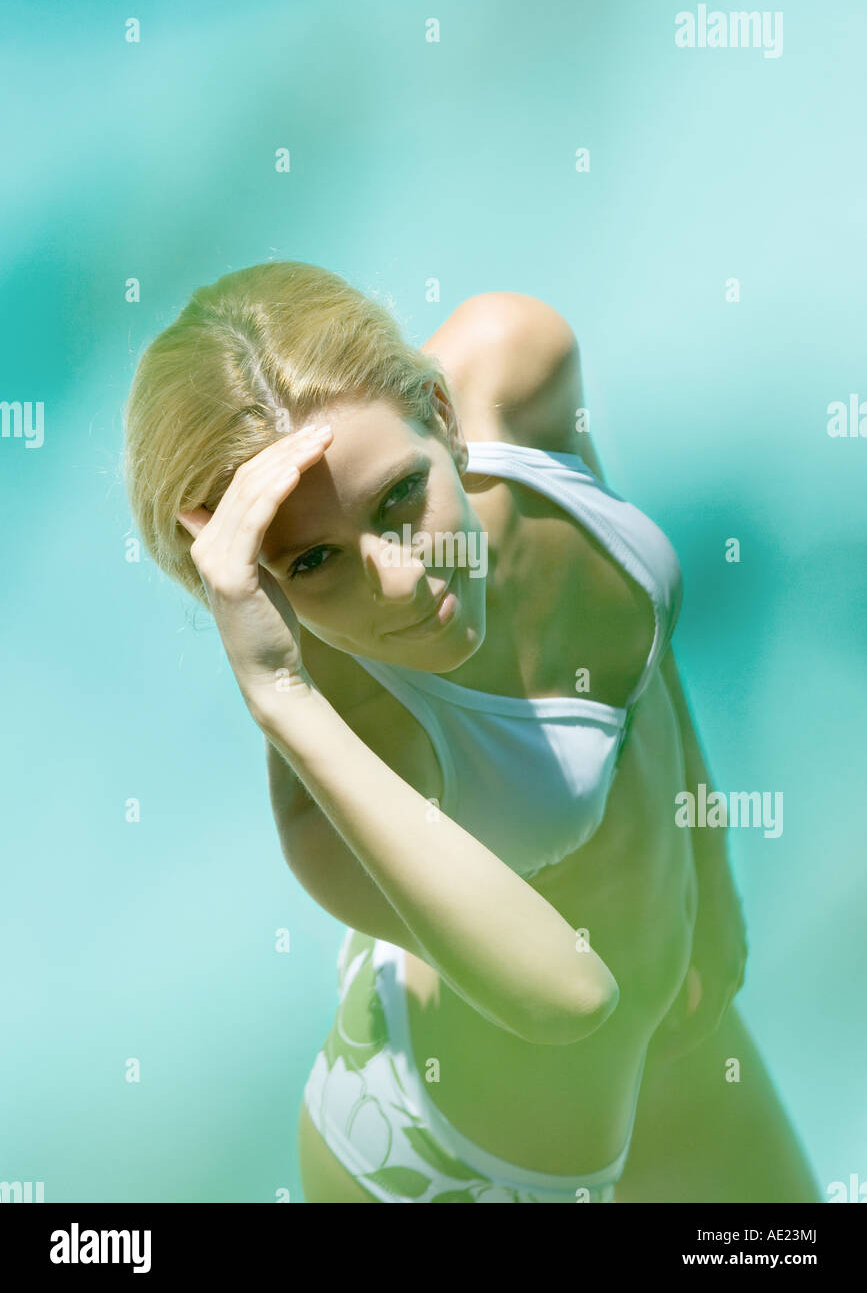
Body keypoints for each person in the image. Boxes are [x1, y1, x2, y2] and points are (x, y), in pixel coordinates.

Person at [123, 260, 822, 1203]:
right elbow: (565, 996)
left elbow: (632, 647)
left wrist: (714, 884)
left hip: (684, 1053)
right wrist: (279, 692)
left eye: (401, 499)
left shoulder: (517, 366)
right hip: (461, 1168)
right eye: (316, 560)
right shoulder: (340, 766)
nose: (401, 581)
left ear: (443, 417)